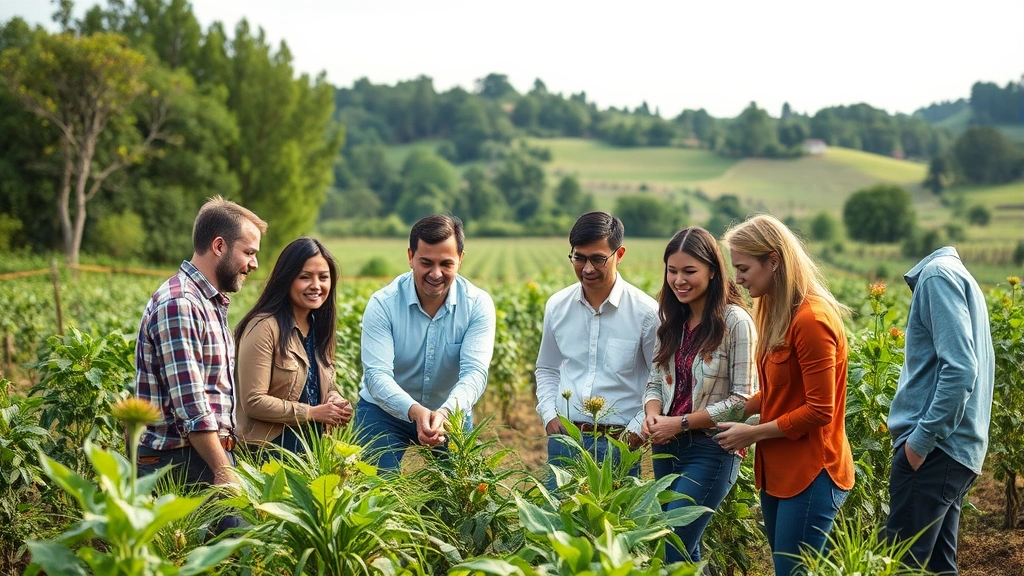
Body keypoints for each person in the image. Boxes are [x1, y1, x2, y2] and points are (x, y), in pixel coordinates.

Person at [715, 214, 854, 576]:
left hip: (811, 470)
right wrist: (729, 410)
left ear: (773, 261)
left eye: (744, 268)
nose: (739, 278)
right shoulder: (778, 311)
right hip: (781, 467)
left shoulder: (811, 320)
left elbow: (819, 411)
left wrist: (752, 431)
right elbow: (780, 390)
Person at [642, 227, 758, 563]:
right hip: (666, 446)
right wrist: (652, 414)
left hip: (711, 448)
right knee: (682, 548)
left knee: (673, 548)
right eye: (673, 271)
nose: (679, 280)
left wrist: (678, 422)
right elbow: (654, 382)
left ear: (712, 270)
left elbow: (742, 400)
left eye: (689, 271)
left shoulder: (736, 322)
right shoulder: (671, 320)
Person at [135, 196, 267, 488]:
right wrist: (223, 470)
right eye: (249, 252)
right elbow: (191, 403)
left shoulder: (206, 302)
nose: (254, 264)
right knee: (230, 534)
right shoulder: (180, 303)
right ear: (219, 246)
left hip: (201, 455)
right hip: (178, 462)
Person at [353, 214, 496, 472]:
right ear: (410, 256)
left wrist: (444, 413)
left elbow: (474, 373)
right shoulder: (383, 304)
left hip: (449, 410)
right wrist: (415, 411)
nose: (436, 273)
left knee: (459, 497)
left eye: (446, 263)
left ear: (461, 259)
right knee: (375, 494)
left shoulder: (477, 304)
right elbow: (376, 376)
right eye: (426, 262)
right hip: (383, 411)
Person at [885, 247, 994, 575]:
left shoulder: (936, 275)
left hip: (933, 452)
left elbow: (961, 370)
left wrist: (919, 443)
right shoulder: (960, 276)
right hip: (955, 451)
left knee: (903, 565)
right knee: (937, 568)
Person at [536, 211, 658, 477]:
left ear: (620, 254)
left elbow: (657, 381)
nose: (587, 268)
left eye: (598, 259)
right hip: (565, 437)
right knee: (559, 516)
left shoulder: (646, 313)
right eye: (579, 257)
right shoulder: (557, 306)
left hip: (618, 441)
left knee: (615, 518)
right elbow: (547, 368)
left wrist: (637, 430)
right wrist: (548, 414)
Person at [234, 237, 354, 454]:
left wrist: (334, 400)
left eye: (323, 277)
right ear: (286, 279)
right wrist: (311, 413)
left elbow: (318, 384)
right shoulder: (264, 326)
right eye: (305, 277)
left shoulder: (319, 327)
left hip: (312, 450)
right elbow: (253, 401)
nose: (316, 286)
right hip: (268, 452)